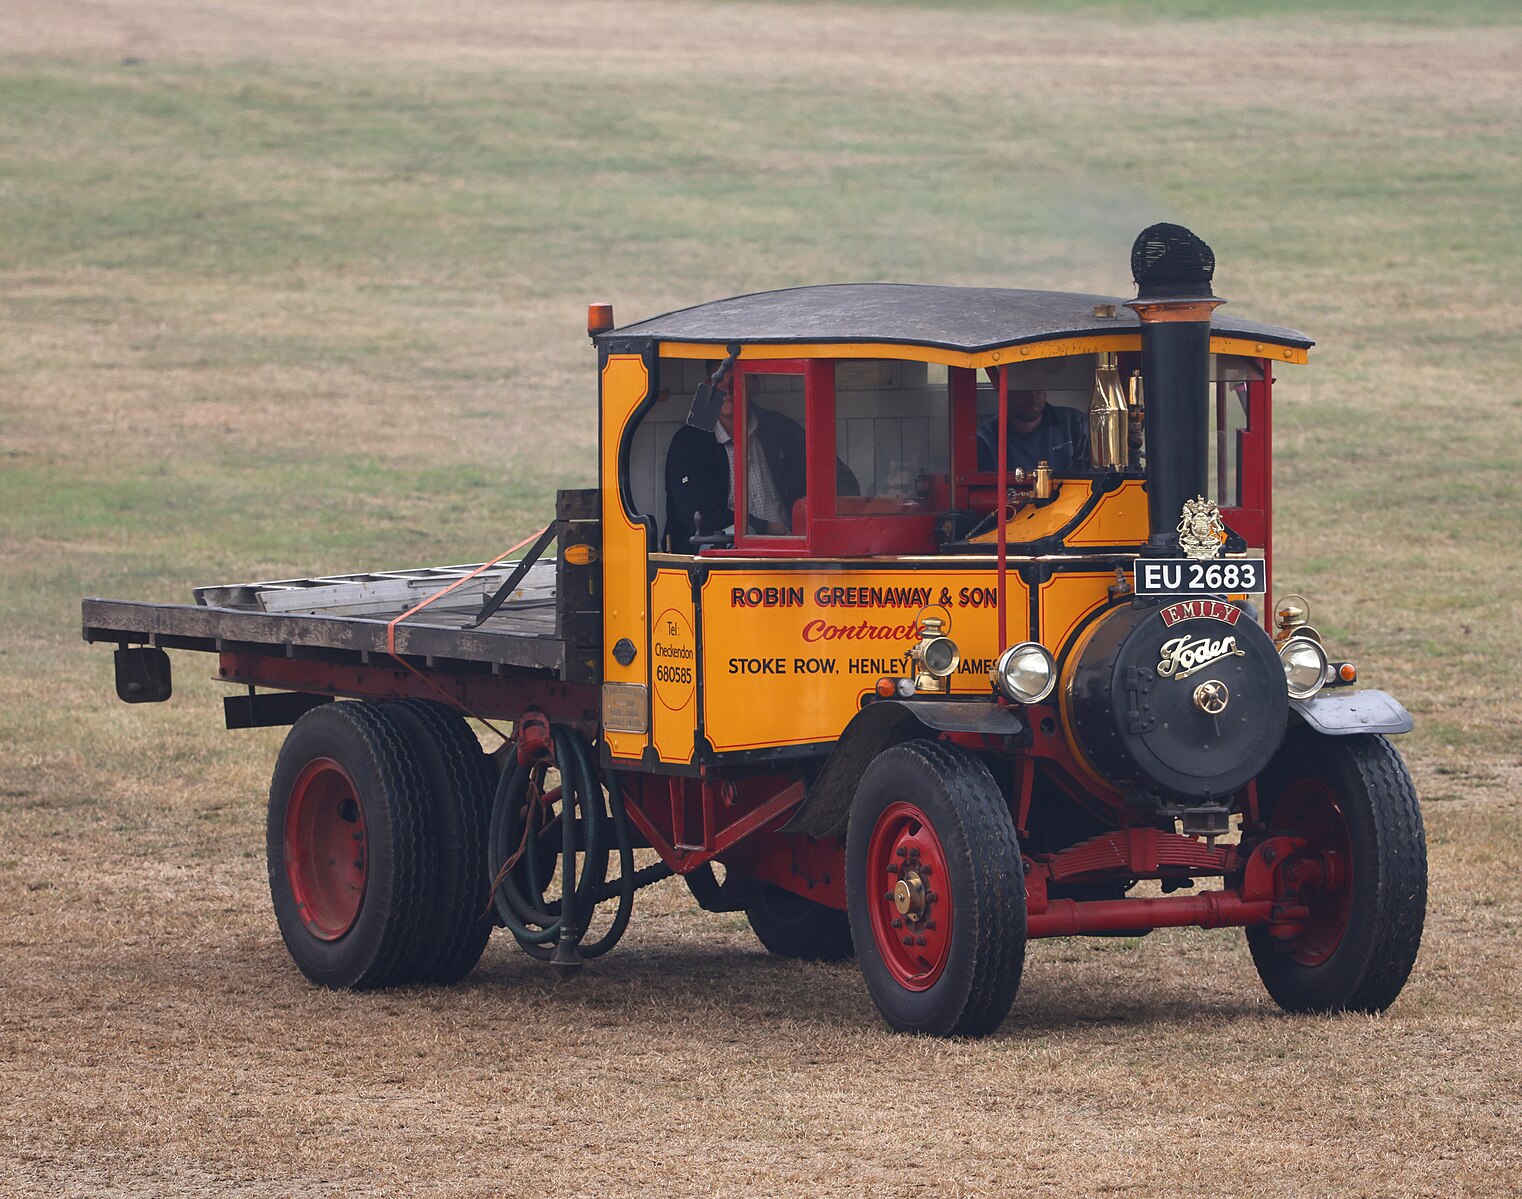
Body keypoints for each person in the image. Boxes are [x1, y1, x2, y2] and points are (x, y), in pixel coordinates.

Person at [664, 376, 807, 553]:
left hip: (793, 555)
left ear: (755, 384)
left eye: (737, 378)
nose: (728, 388)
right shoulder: (689, 442)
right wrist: (764, 528)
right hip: (723, 564)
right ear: (709, 386)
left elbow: (829, 479)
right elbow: (700, 515)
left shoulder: (781, 428)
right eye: (719, 379)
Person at [976, 378, 1090, 474]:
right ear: (1005, 392)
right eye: (1023, 390)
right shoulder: (986, 440)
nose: (1033, 396)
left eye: (1038, 388)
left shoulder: (1076, 424)